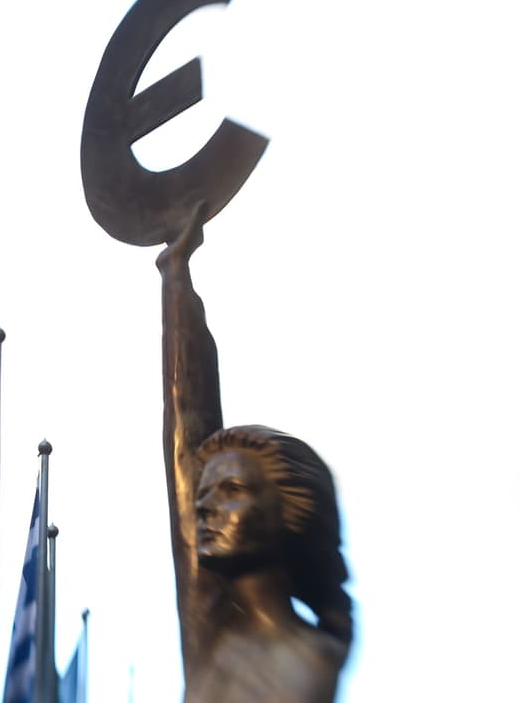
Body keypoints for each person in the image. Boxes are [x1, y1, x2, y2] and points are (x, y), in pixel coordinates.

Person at [157, 203, 352, 702]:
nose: (203, 506)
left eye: (232, 489)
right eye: (204, 493)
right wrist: (175, 281)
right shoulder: (212, 632)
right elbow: (185, 418)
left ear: (290, 514)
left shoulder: (316, 655)